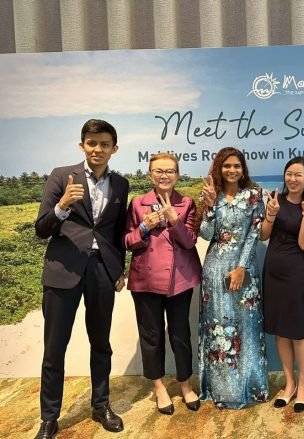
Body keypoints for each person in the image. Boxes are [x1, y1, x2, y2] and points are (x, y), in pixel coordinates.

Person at [34, 119, 129, 439]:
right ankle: (49, 417)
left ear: (114, 148)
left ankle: (100, 405)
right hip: (62, 272)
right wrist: (61, 206)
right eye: (91, 143)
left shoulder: (121, 184)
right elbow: (41, 229)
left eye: (104, 144)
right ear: (82, 145)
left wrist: (119, 269)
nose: (97, 149)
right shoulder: (61, 176)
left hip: (102, 271)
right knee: (54, 348)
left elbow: (117, 233)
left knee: (101, 343)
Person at [124, 153, 202, 415]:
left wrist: (174, 220)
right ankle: (158, 387)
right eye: (158, 171)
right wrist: (144, 227)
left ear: (177, 175)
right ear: (150, 175)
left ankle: (185, 385)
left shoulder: (187, 202)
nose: (164, 175)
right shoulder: (137, 204)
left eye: (170, 171)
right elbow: (126, 242)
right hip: (145, 279)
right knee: (152, 335)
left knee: (181, 333)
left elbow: (190, 241)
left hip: (179, 279)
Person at [198, 147, 269, 409]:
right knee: (218, 327)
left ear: (243, 169)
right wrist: (208, 207)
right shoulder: (210, 194)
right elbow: (206, 235)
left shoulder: (254, 195)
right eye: (226, 165)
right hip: (215, 269)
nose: (231, 170)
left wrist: (241, 267)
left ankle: (250, 387)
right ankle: (222, 390)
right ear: (219, 167)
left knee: (246, 327)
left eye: (236, 166)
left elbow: (255, 233)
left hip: (245, 268)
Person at [261, 156, 304, 413]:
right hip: (273, 271)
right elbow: (264, 234)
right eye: (289, 173)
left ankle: (303, 386)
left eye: (299, 174)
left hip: (297, 273)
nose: (293, 178)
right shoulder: (276, 200)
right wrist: (271, 214)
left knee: (298, 331)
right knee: (280, 330)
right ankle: (288, 385)